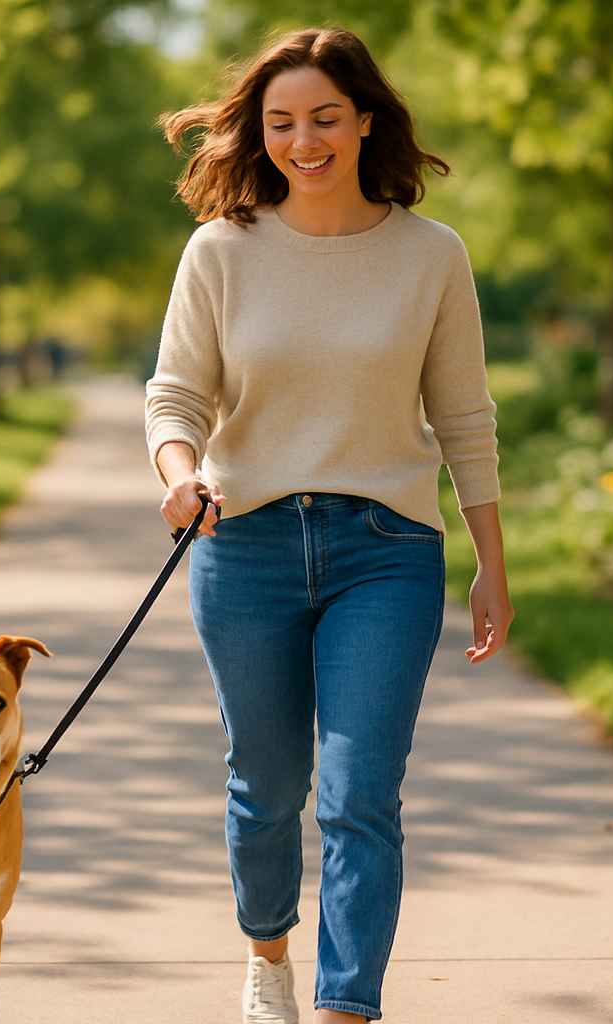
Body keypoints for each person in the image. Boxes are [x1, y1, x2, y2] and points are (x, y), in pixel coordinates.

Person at [145, 27, 514, 1024]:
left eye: (322, 119)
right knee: (266, 788)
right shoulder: (222, 251)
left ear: (364, 121)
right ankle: (267, 954)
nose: (303, 142)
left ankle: (346, 1004)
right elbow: (176, 396)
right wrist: (180, 477)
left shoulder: (431, 256)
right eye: (280, 124)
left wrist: (491, 558)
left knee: (359, 794)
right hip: (247, 545)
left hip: (385, 551)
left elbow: (464, 415)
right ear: (256, 134)